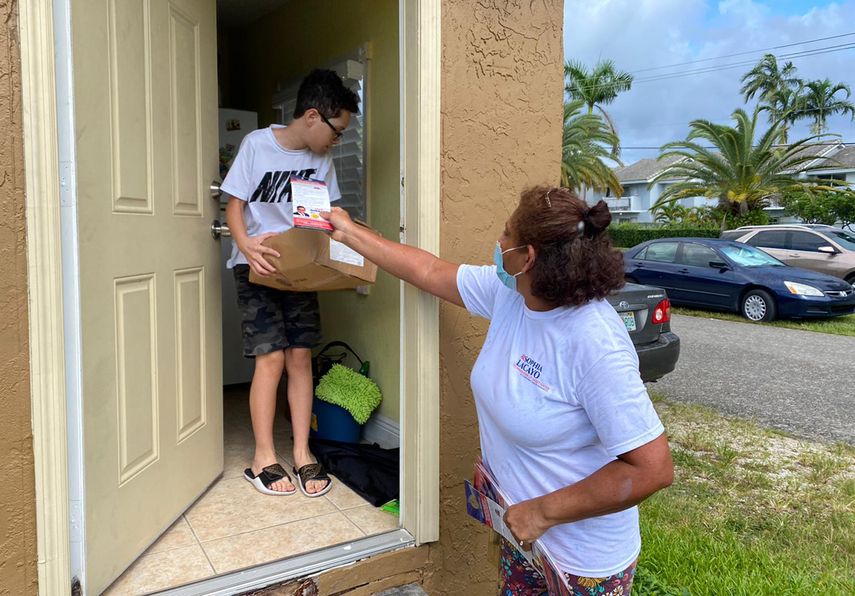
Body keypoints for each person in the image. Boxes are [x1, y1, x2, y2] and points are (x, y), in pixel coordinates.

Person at [321, 186, 673, 593]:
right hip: (524, 540)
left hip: (581, 564)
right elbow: (431, 272)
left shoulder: (593, 343)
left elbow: (653, 469)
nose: (498, 241)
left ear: (528, 258)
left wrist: (542, 512)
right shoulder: (512, 296)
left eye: (507, 234)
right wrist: (349, 233)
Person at [223, 69, 359, 498]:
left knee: (301, 356)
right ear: (314, 116)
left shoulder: (322, 161)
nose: (337, 142)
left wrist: (352, 240)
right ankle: (263, 456)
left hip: (302, 271)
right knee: (271, 359)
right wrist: (246, 246)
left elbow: (329, 214)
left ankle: (302, 452)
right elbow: (233, 208)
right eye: (337, 132)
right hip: (259, 265)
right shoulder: (256, 145)